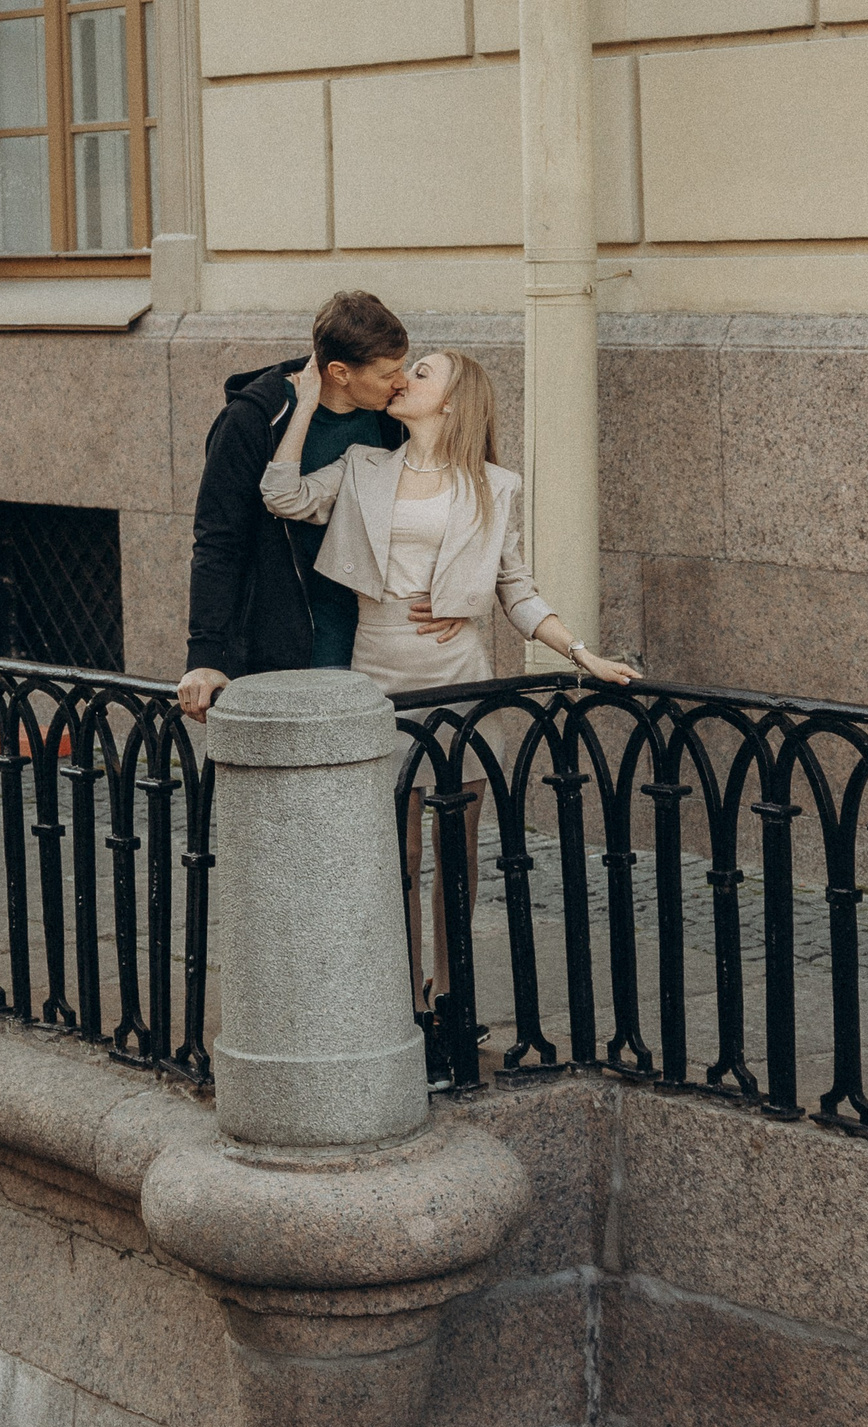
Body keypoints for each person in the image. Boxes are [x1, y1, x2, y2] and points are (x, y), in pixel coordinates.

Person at [259, 348, 641, 1080]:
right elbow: (282, 495)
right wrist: (306, 402)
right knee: (394, 856)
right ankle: (400, 1002)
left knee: (457, 861)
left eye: (423, 372)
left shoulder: (495, 487)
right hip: (380, 679)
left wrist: (580, 651)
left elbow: (516, 590)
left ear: (454, 403)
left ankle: (452, 1000)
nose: (405, 379)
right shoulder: (365, 466)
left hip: (458, 684)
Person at [176, 291, 464, 723]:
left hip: (375, 646)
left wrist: (456, 593)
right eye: (388, 372)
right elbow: (218, 542)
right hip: (283, 644)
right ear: (339, 372)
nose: (401, 381)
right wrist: (206, 652)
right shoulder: (253, 420)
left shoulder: (390, 419)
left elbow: (434, 507)